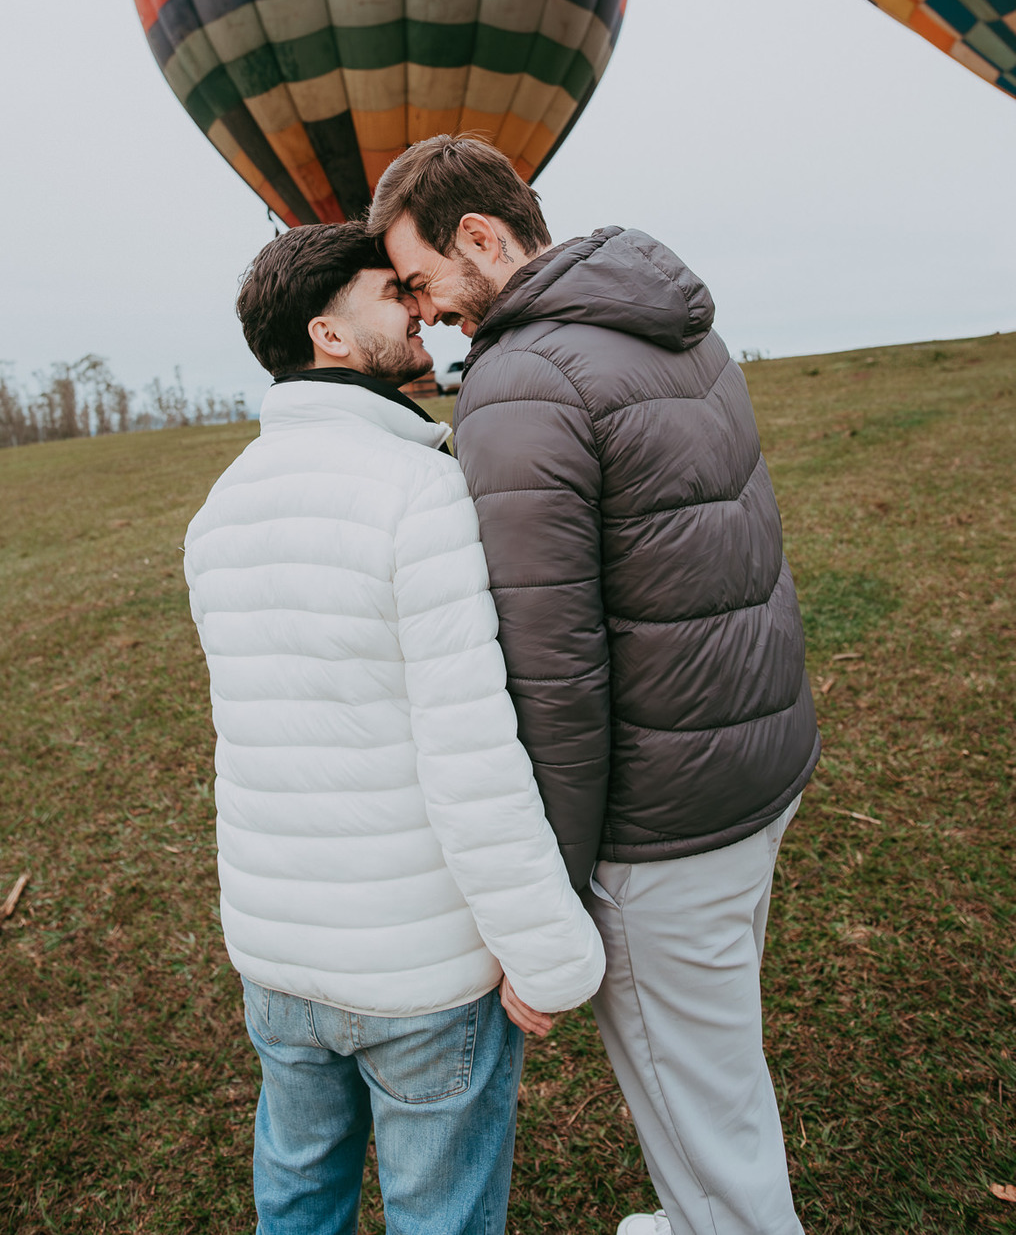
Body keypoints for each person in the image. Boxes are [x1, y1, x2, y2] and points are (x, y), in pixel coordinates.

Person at [368, 136, 820, 1235]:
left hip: (660, 824)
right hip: (754, 761)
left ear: (480, 237)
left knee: (701, 1106)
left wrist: (551, 901)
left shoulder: (522, 382)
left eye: (423, 282)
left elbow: (553, 674)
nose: (423, 315)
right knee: (714, 1051)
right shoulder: (668, 315)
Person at [184, 222, 605, 1235]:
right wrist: (546, 951)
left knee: (296, 1196)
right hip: (417, 976)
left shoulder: (218, 509)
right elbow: (470, 755)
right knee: (438, 1215)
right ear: (330, 334)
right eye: (391, 293)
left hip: (278, 955)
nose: (419, 308)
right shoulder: (419, 494)